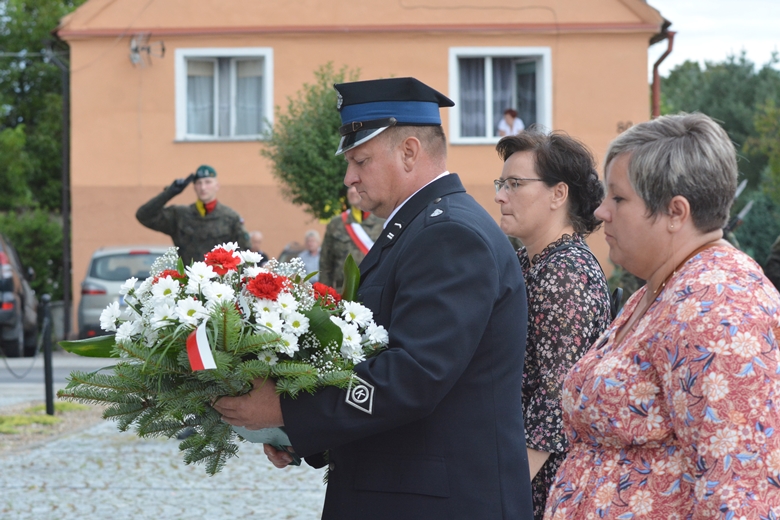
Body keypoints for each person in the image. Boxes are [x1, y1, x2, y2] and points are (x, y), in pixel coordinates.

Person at [214, 77, 534, 519]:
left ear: (409, 151)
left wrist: (290, 410)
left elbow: (412, 376)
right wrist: (301, 434)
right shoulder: (419, 229)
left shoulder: (449, 234)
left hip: (441, 501)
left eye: (360, 159)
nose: (349, 177)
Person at [544, 113, 780, 519]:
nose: (601, 212)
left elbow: (739, 490)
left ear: (675, 212)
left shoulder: (719, 304)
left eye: (618, 198)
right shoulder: (664, 287)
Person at [493, 131, 612, 520]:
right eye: (500, 183)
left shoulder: (566, 273)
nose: (500, 195)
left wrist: (500, 494)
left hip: (543, 483)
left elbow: (554, 400)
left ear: (558, 194)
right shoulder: (534, 262)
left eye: (515, 184)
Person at [136, 165, 251, 264]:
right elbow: (144, 216)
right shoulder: (180, 215)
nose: (203, 187)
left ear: (217, 186)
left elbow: (244, 252)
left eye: (208, 182)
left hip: (219, 284)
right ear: (194, 187)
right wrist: (169, 193)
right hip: (189, 283)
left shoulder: (230, 217)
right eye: (199, 183)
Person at [319, 186, 385, 291]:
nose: (352, 191)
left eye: (357, 187)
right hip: (344, 291)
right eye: (349, 188)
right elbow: (326, 264)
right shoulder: (336, 223)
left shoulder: (383, 221)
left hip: (374, 289)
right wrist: (325, 295)